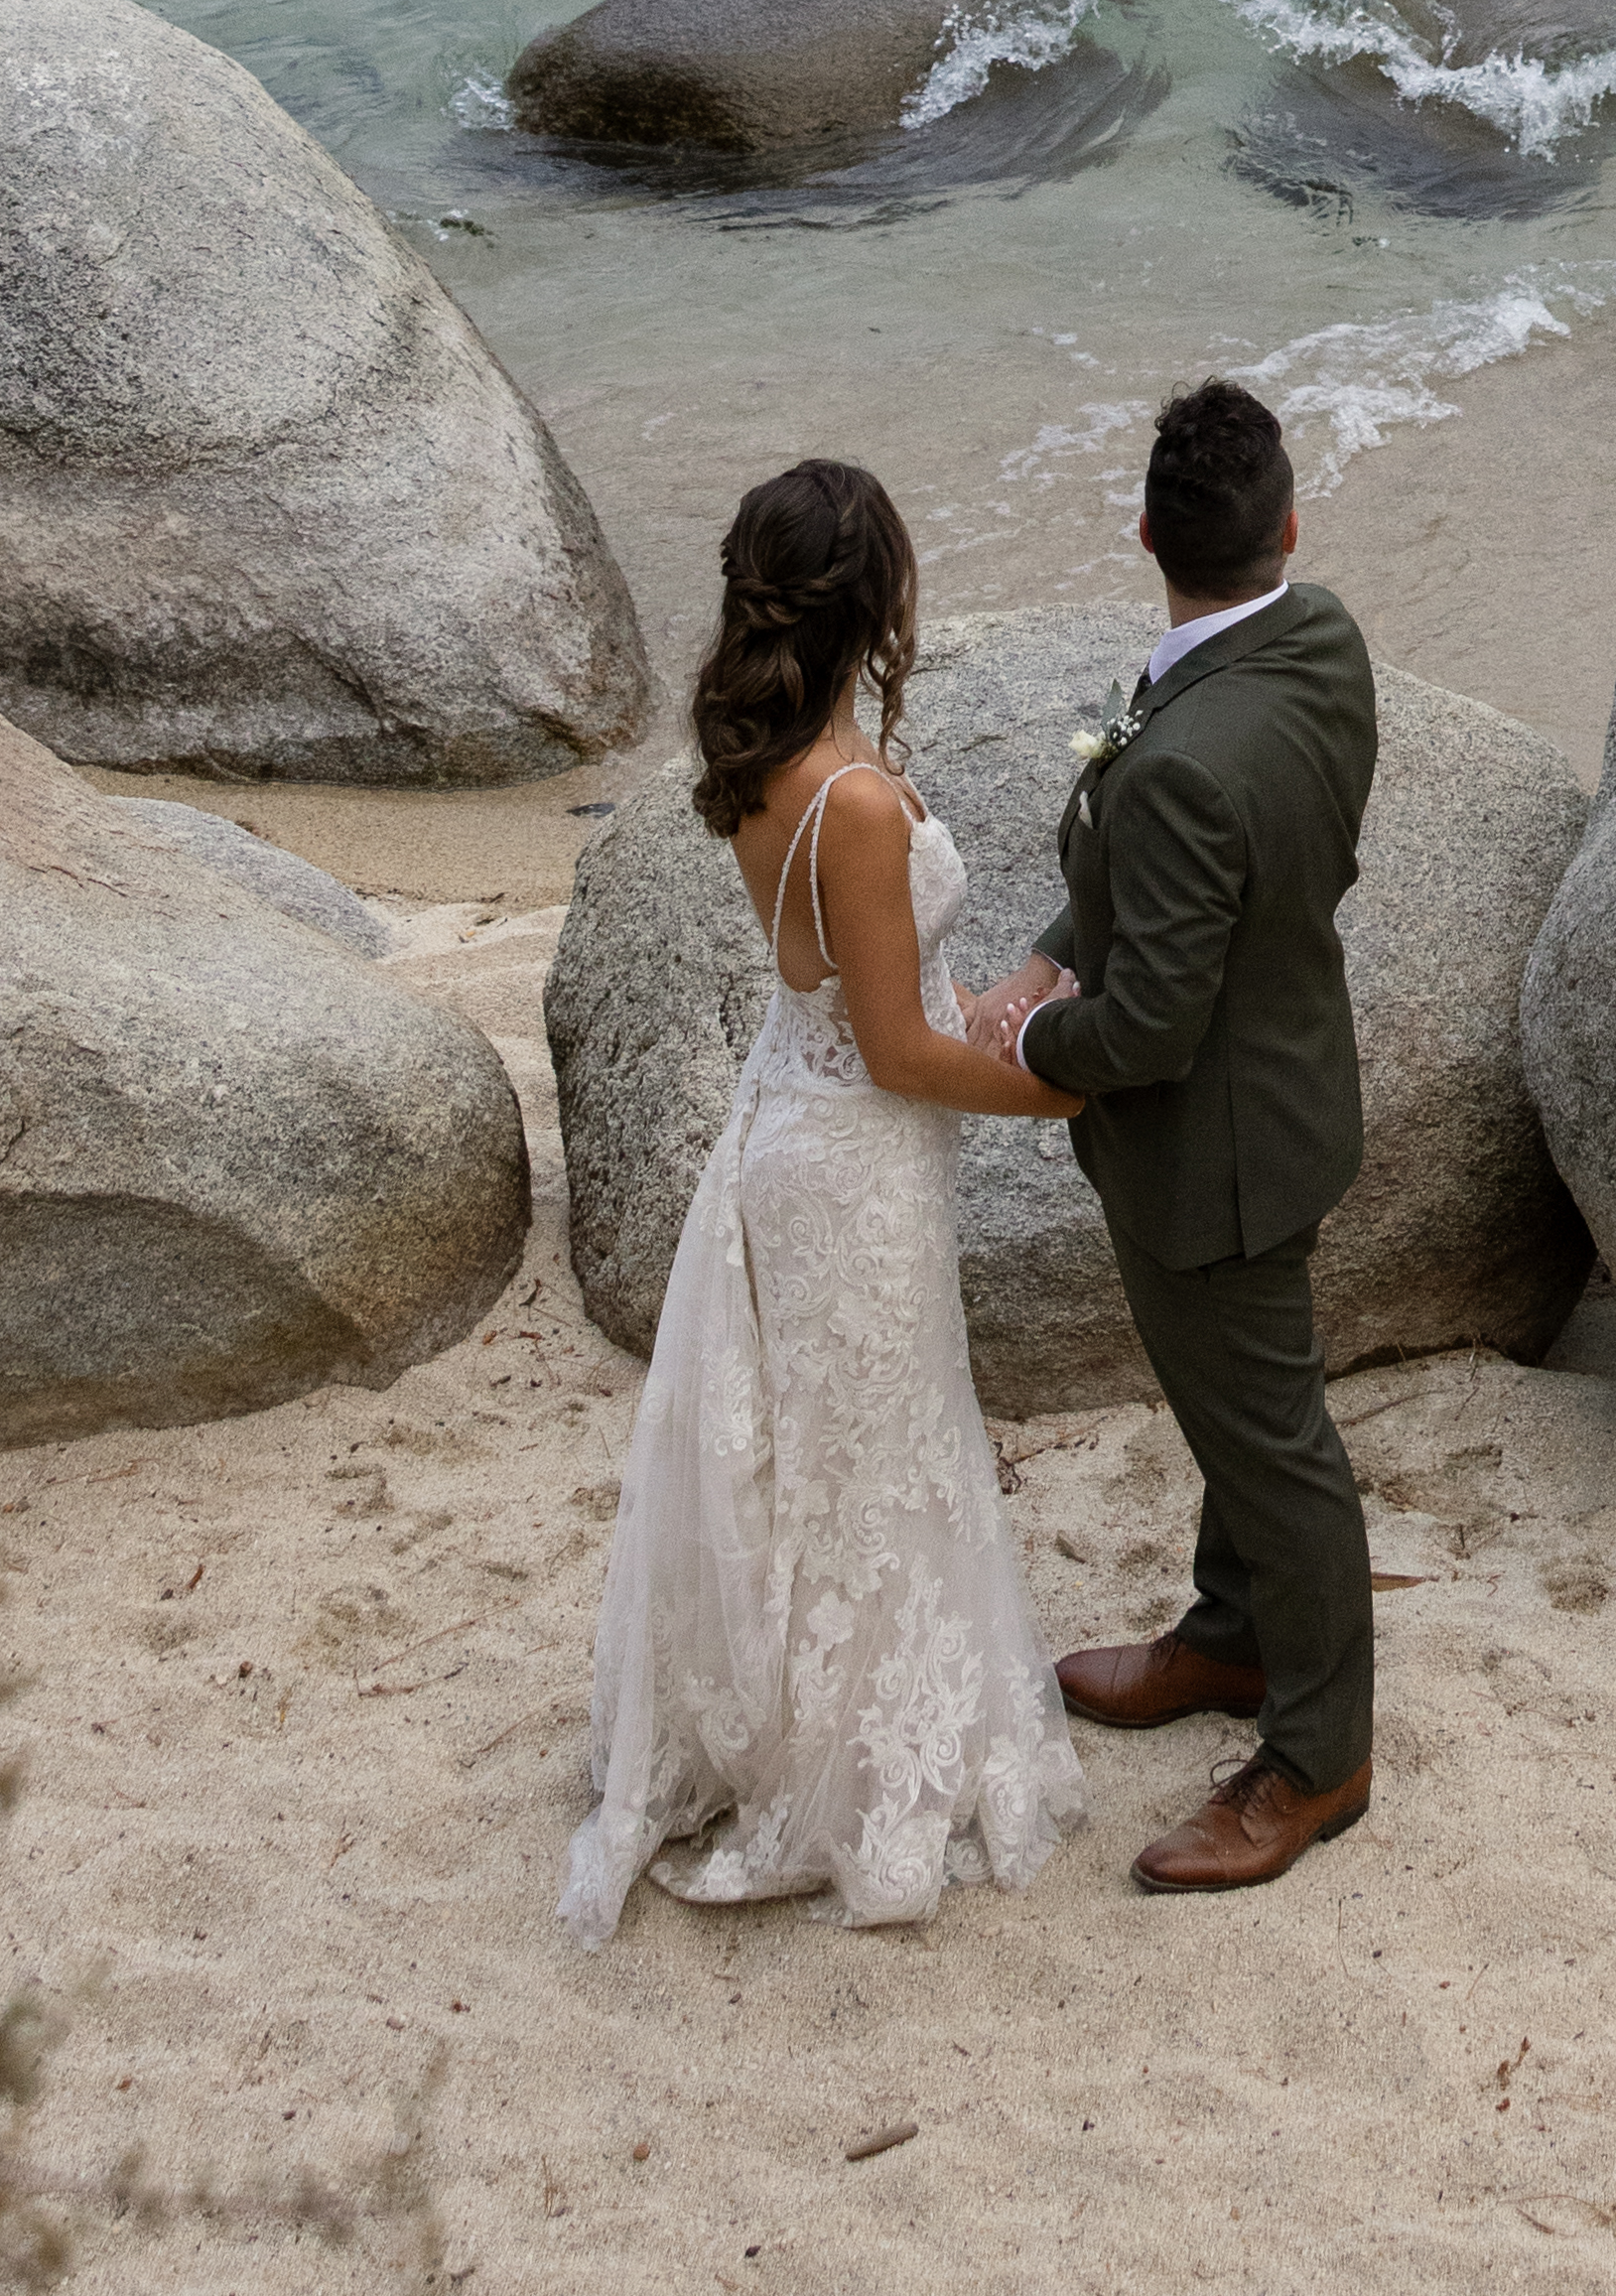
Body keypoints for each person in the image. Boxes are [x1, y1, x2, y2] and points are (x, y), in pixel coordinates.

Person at [564, 454, 1090, 1942]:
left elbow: (886, 1003)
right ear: (878, 602)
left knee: (819, 1455)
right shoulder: (848, 800)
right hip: (850, 1162)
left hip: (793, 1124)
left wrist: (1017, 994)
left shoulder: (764, 770)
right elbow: (904, 1053)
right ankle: (838, 1763)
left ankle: (789, 1719)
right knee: (871, 1454)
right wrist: (1064, 1090)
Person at [954, 370, 1382, 1895]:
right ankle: (1231, 1639)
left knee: (1276, 1445)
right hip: (1294, 1082)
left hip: (1216, 1156)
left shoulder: (1181, 765)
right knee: (1236, 1411)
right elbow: (1182, 868)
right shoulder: (1316, 639)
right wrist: (1053, 948)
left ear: (1144, 532)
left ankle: (1321, 1756)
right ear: (1286, 529)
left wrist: (1024, 1033)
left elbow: (1147, 1032)